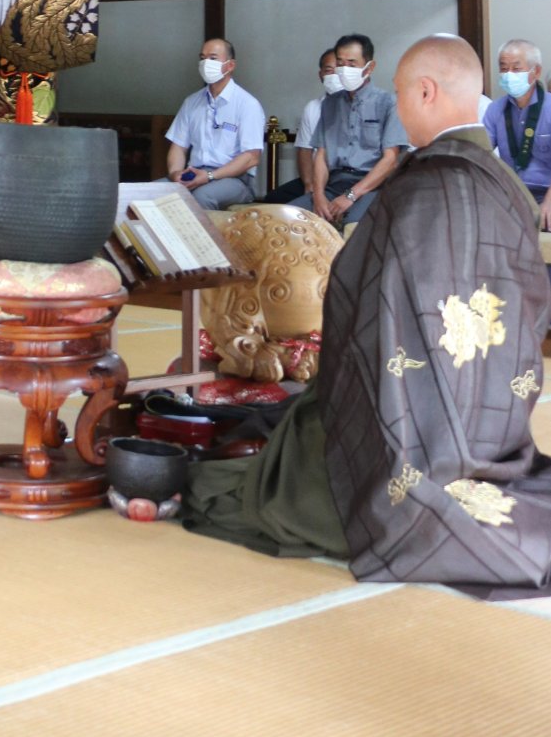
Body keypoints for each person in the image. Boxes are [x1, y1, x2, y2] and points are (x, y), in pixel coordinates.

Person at [184, 34, 551, 597]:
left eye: (402, 94)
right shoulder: (504, 185)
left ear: (425, 92)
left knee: (230, 486)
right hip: (494, 419)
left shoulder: (425, 187)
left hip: (407, 422)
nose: (398, 109)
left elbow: (357, 293)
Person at [294, 31, 407, 224]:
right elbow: (321, 154)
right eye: (340, 63)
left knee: (353, 225)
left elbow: (390, 160)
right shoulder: (329, 104)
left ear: (369, 67)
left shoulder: (389, 104)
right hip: (334, 184)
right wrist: (319, 195)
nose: (344, 69)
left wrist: (351, 196)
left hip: (372, 187)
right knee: (288, 218)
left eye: (352, 64)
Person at [165, 38, 265, 208]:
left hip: (234, 179)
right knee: (151, 193)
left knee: (201, 197)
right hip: (194, 172)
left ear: (230, 65)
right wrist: (175, 174)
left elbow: (251, 157)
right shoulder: (192, 102)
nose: (205, 63)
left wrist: (210, 176)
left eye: (212, 58)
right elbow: (178, 147)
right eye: (202, 58)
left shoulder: (247, 104)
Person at [484, 39, 551, 230]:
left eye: (516, 69)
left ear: (535, 72)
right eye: (504, 69)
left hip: (547, 192)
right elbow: (482, 152)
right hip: (512, 193)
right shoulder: (495, 109)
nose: (508, 75)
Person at [266, 47, 338, 202]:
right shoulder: (313, 107)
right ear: (320, 75)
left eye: (338, 70)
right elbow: (304, 150)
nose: (334, 76)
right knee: (273, 199)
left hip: (344, 180)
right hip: (316, 177)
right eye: (329, 70)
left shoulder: (361, 107)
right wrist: (309, 184)